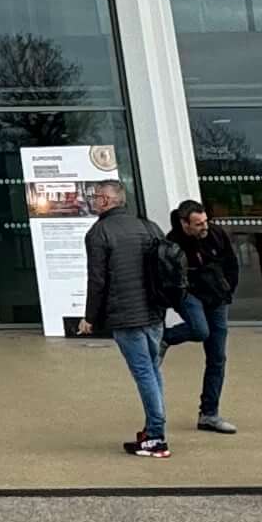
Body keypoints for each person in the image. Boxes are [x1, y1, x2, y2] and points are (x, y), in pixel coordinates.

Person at [80, 185, 179, 458]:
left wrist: (90, 318)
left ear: (105, 200)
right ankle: (153, 429)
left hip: (126, 314)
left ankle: (156, 437)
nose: (93, 201)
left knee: (144, 373)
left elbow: (97, 280)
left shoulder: (99, 233)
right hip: (154, 311)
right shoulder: (149, 227)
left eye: (96, 197)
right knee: (152, 369)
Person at [165, 200, 240, 433]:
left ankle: (209, 414)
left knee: (217, 357)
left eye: (205, 221)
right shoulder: (174, 242)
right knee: (199, 330)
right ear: (184, 223)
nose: (203, 227)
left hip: (217, 297)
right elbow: (167, 273)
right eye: (197, 224)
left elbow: (231, 263)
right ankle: (166, 337)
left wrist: (228, 289)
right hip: (191, 295)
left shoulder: (216, 234)